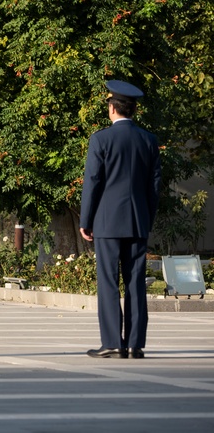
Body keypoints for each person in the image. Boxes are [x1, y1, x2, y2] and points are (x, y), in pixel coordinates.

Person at [80, 80, 161, 359]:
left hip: (106, 221)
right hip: (138, 220)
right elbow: (154, 187)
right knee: (135, 282)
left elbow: (92, 182)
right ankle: (136, 344)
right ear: (133, 110)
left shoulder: (100, 139)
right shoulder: (149, 140)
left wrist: (85, 220)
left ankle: (113, 342)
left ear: (112, 108)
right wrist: (146, 219)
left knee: (108, 281)